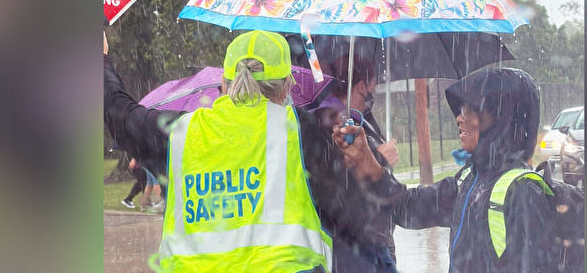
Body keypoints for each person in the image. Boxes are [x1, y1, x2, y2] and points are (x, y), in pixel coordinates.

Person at [104, 30, 402, 272]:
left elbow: (119, 113)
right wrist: (362, 164)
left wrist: (99, 59)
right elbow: (354, 221)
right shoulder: (304, 132)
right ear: (286, 87)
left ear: (224, 82)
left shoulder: (177, 133)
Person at [337, 67, 558, 273]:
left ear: (501, 121)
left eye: (471, 110)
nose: (459, 118)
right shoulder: (469, 181)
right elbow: (404, 207)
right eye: (462, 110)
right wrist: (364, 157)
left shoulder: (522, 192)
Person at [311, 55, 399, 271]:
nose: (373, 95)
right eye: (372, 87)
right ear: (361, 87)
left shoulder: (361, 119)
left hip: (373, 239)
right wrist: (379, 159)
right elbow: (333, 182)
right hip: (351, 244)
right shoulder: (324, 124)